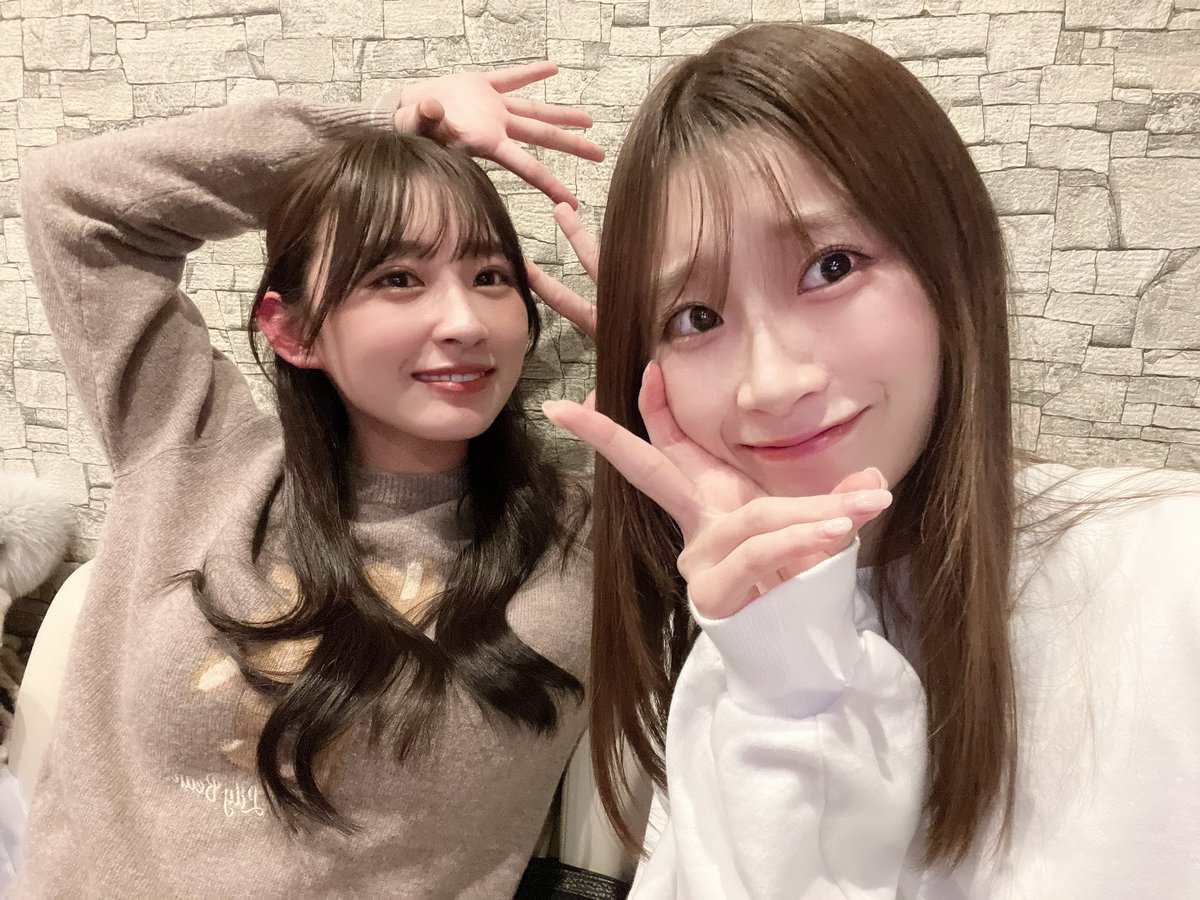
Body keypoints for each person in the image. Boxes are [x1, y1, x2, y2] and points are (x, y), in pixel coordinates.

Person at [538, 23, 1200, 898]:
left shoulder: (1169, 564)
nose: (771, 384)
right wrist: (783, 656)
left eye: (831, 266)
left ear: (951, 263)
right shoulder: (728, 641)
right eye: (696, 318)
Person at [16, 64, 607, 896]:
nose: (465, 322)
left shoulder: (589, 539)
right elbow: (76, 203)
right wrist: (387, 130)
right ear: (292, 331)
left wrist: (668, 355)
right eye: (397, 278)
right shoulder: (193, 456)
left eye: (490, 278)